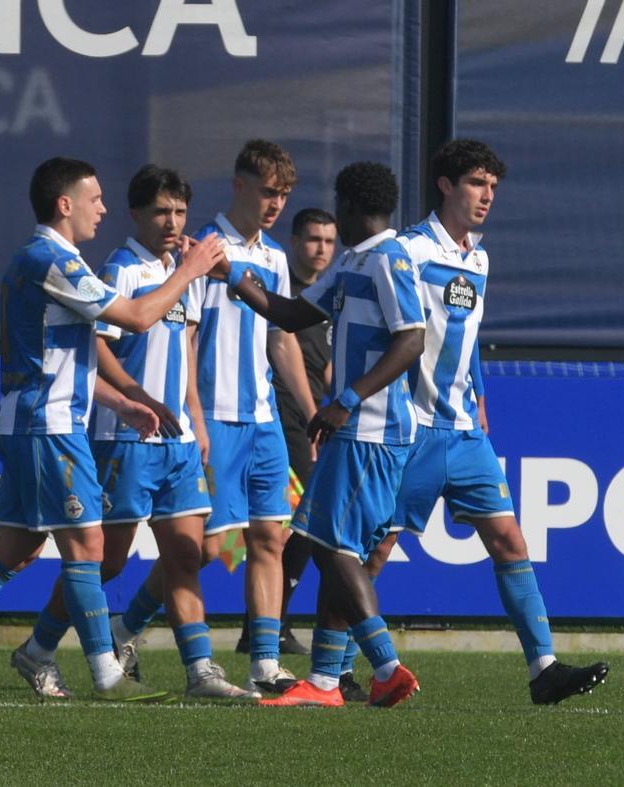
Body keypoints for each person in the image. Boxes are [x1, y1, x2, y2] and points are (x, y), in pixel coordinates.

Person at [0, 157, 225, 702]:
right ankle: (107, 674)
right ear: (64, 204)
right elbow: (139, 319)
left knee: (17, 549)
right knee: (88, 543)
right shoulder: (51, 259)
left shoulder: (56, 260)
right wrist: (189, 271)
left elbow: (63, 356)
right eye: (94, 198)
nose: (103, 207)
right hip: (47, 425)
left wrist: (121, 401)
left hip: (36, 420)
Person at [363, 139, 610, 705]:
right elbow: (386, 332)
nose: (487, 196)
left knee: (509, 540)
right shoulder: (408, 251)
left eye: (493, 187)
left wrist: (480, 391)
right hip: (411, 430)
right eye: (477, 183)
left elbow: (466, 331)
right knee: (374, 552)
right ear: (446, 185)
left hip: (464, 431)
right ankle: (331, 671)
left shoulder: (479, 256)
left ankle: (543, 668)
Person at [8, 165, 255, 701]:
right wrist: (132, 400)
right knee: (106, 560)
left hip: (179, 440)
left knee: (189, 556)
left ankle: (201, 671)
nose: (172, 222)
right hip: (124, 439)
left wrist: (194, 414)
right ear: (136, 214)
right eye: (161, 211)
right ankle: (39, 648)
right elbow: (95, 343)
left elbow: (186, 348)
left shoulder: (177, 269)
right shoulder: (123, 269)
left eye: (180, 211)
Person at [107, 140, 315, 696]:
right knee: (200, 550)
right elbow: (185, 338)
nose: (276, 204)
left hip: (264, 420)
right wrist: (192, 417)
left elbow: (282, 341)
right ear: (240, 185)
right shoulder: (198, 249)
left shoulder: (274, 257)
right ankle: (125, 627)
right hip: (212, 421)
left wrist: (313, 413)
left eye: (285, 195)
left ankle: (265, 664)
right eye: (269, 192)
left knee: (270, 537)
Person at [232, 161, 426, 708]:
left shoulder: (390, 259)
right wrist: (232, 277)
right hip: (355, 429)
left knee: (335, 547)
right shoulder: (353, 261)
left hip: (372, 429)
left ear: (348, 205)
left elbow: (411, 340)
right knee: (325, 546)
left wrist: (346, 398)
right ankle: (322, 683)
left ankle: (385, 666)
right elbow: (293, 313)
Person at [233, 209, 337, 659]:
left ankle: (267, 626)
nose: (322, 249)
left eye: (330, 241)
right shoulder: (280, 290)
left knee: (299, 526)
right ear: (294, 242)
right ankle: (267, 626)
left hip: (313, 417)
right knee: (297, 523)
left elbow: (328, 364)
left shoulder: (329, 296)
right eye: (313, 239)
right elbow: (280, 345)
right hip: (283, 416)